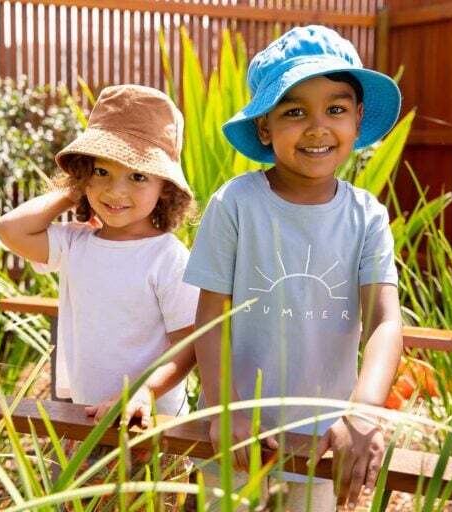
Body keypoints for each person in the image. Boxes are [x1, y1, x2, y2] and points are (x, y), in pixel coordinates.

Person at [183, 25, 403, 510]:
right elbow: (211, 317)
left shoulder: (367, 216)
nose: (317, 127)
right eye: (295, 111)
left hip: (325, 439)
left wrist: (364, 410)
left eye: (336, 109)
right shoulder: (236, 204)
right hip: (237, 433)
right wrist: (225, 408)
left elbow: (384, 320)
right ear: (265, 127)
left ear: (358, 119)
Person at [0, 84, 199, 433]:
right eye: (102, 172)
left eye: (137, 176)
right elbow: (10, 229)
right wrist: (73, 190)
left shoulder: (167, 257)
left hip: (149, 424)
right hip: (86, 417)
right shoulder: (75, 243)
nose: (115, 191)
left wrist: (142, 393)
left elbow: (189, 344)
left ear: (165, 187)